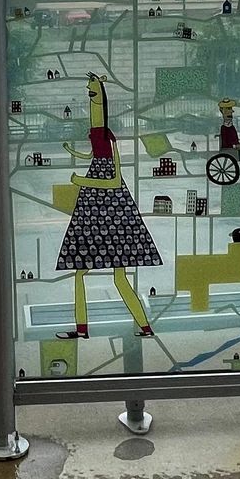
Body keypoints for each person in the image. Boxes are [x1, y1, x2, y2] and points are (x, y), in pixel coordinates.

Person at [55, 75, 159, 338]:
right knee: (84, 273)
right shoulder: (96, 135)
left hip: (112, 211)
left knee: (115, 276)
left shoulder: (109, 138)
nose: (90, 101)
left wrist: (81, 181)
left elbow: (114, 181)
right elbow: (92, 155)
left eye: (93, 95)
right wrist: (73, 153)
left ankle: (143, 326)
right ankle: (87, 328)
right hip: (96, 210)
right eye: (89, 94)